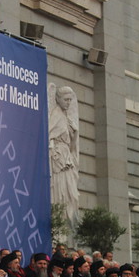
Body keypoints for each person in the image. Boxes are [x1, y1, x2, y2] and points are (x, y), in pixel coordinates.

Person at [48, 84, 79, 231]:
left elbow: (72, 148)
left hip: (67, 158)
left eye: (70, 100)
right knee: (60, 192)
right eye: (66, 99)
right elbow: (49, 135)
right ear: (58, 99)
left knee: (70, 194)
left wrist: (75, 135)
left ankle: (65, 226)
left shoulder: (66, 118)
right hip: (58, 159)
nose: (68, 103)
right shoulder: (56, 115)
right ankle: (58, 228)